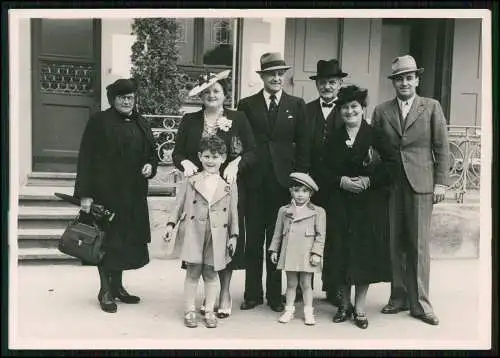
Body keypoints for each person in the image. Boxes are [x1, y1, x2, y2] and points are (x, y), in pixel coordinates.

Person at [372, 55, 450, 326]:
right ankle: (398, 296)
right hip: (392, 184)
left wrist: (440, 182)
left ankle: (421, 303)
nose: (404, 83)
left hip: (421, 183)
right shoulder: (382, 111)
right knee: (395, 242)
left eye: (409, 78)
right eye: (399, 79)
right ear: (393, 83)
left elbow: (442, 147)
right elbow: (376, 151)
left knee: (418, 244)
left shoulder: (431, 108)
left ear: (417, 80)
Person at [172, 70, 256, 318]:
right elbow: (177, 153)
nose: (212, 95)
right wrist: (184, 163)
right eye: (207, 92)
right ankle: (197, 299)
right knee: (199, 245)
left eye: (216, 91)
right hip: (198, 190)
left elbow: (252, 150)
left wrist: (235, 164)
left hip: (225, 190)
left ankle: (225, 293)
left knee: (223, 240)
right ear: (201, 96)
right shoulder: (190, 120)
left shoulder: (238, 118)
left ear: (225, 95)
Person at [74, 78, 158, 313]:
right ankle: (105, 290)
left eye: (130, 97)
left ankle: (118, 287)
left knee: (124, 243)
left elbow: (152, 153)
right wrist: (85, 195)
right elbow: (86, 159)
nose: (127, 101)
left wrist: (150, 167)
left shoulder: (141, 122)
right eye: (122, 97)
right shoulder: (99, 121)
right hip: (106, 195)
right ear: (113, 100)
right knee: (105, 242)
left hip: (132, 196)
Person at [237, 52, 311, 313]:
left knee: (278, 239)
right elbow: (243, 143)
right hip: (255, 181)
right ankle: (252, 293)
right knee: (254, 239)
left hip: (284, 183)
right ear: (262, 77)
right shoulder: (246, 104)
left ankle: (275, 294)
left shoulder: (297, 105)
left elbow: (303, 145)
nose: (276, 78)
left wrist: (299, 182)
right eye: (271, 74)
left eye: (280, 73)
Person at [324, 85, 398, 329]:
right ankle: (344, 305)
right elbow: (320, 168)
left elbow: (391, 166)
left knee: (363, 254)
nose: (349, 111)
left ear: (363, 108)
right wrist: (340, 181)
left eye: (354, 106)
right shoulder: (333, 137)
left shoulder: (376, 135)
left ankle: (360, 308)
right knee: (341, 252)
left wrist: (368, 180)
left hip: (368, 205)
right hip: (340, 204)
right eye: (345, 107)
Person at [165, 135, 239, 329]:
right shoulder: (191, 180)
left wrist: (234, 236)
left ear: (223, 159)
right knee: (192, 271)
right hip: (194, 232)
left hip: (218, 235)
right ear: (199, 156)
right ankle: (189, 309)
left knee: (211, 273)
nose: (210, 161)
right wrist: (171, 225)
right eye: (206, 156)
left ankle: (209, 309)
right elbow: (179, 204)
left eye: (215, 157)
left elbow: (233, 213)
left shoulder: (229, 184)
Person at [306, 59, 347, 307]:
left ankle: (333, 288)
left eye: (332, 82)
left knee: (334, 235)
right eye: (323, 83)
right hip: (310, 184)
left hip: (337, 185)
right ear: (317, 85)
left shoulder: (348, 110)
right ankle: (304, 285)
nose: (327, 87)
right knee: (307, 234)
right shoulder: (306, 109)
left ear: (340, 84)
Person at [268, 172, 326, 326]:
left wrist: (316, 253)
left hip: (307, 254)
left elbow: (321, 236)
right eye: (297, 190)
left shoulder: (318, 211)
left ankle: (308, 312)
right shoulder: (284, 211)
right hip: (290, 253)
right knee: (291, 284)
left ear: (311, 193)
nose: (300, 194)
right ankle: (289, 310)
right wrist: (274, 250)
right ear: (291, 191)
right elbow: (277, 233)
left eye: (305, 191)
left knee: (306, 284)